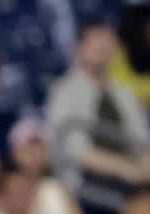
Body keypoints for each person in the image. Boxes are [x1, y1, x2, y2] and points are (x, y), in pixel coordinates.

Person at [46, 23, 150, 194]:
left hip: (132, 174)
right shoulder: (64, 91)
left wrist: (144, 166)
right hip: (87, 181)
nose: (102, 47)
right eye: (96, 42)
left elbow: (140, 138)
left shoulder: (123, 93)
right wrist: (125, 169)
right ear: (79, 48)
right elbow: (75, 149)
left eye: (107, 41)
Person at [6, 117, 96, 214]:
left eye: (41, 146)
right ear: (15, 151)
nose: (36, 152)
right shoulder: (3, 188)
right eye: (30, 145)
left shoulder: (57, 190)